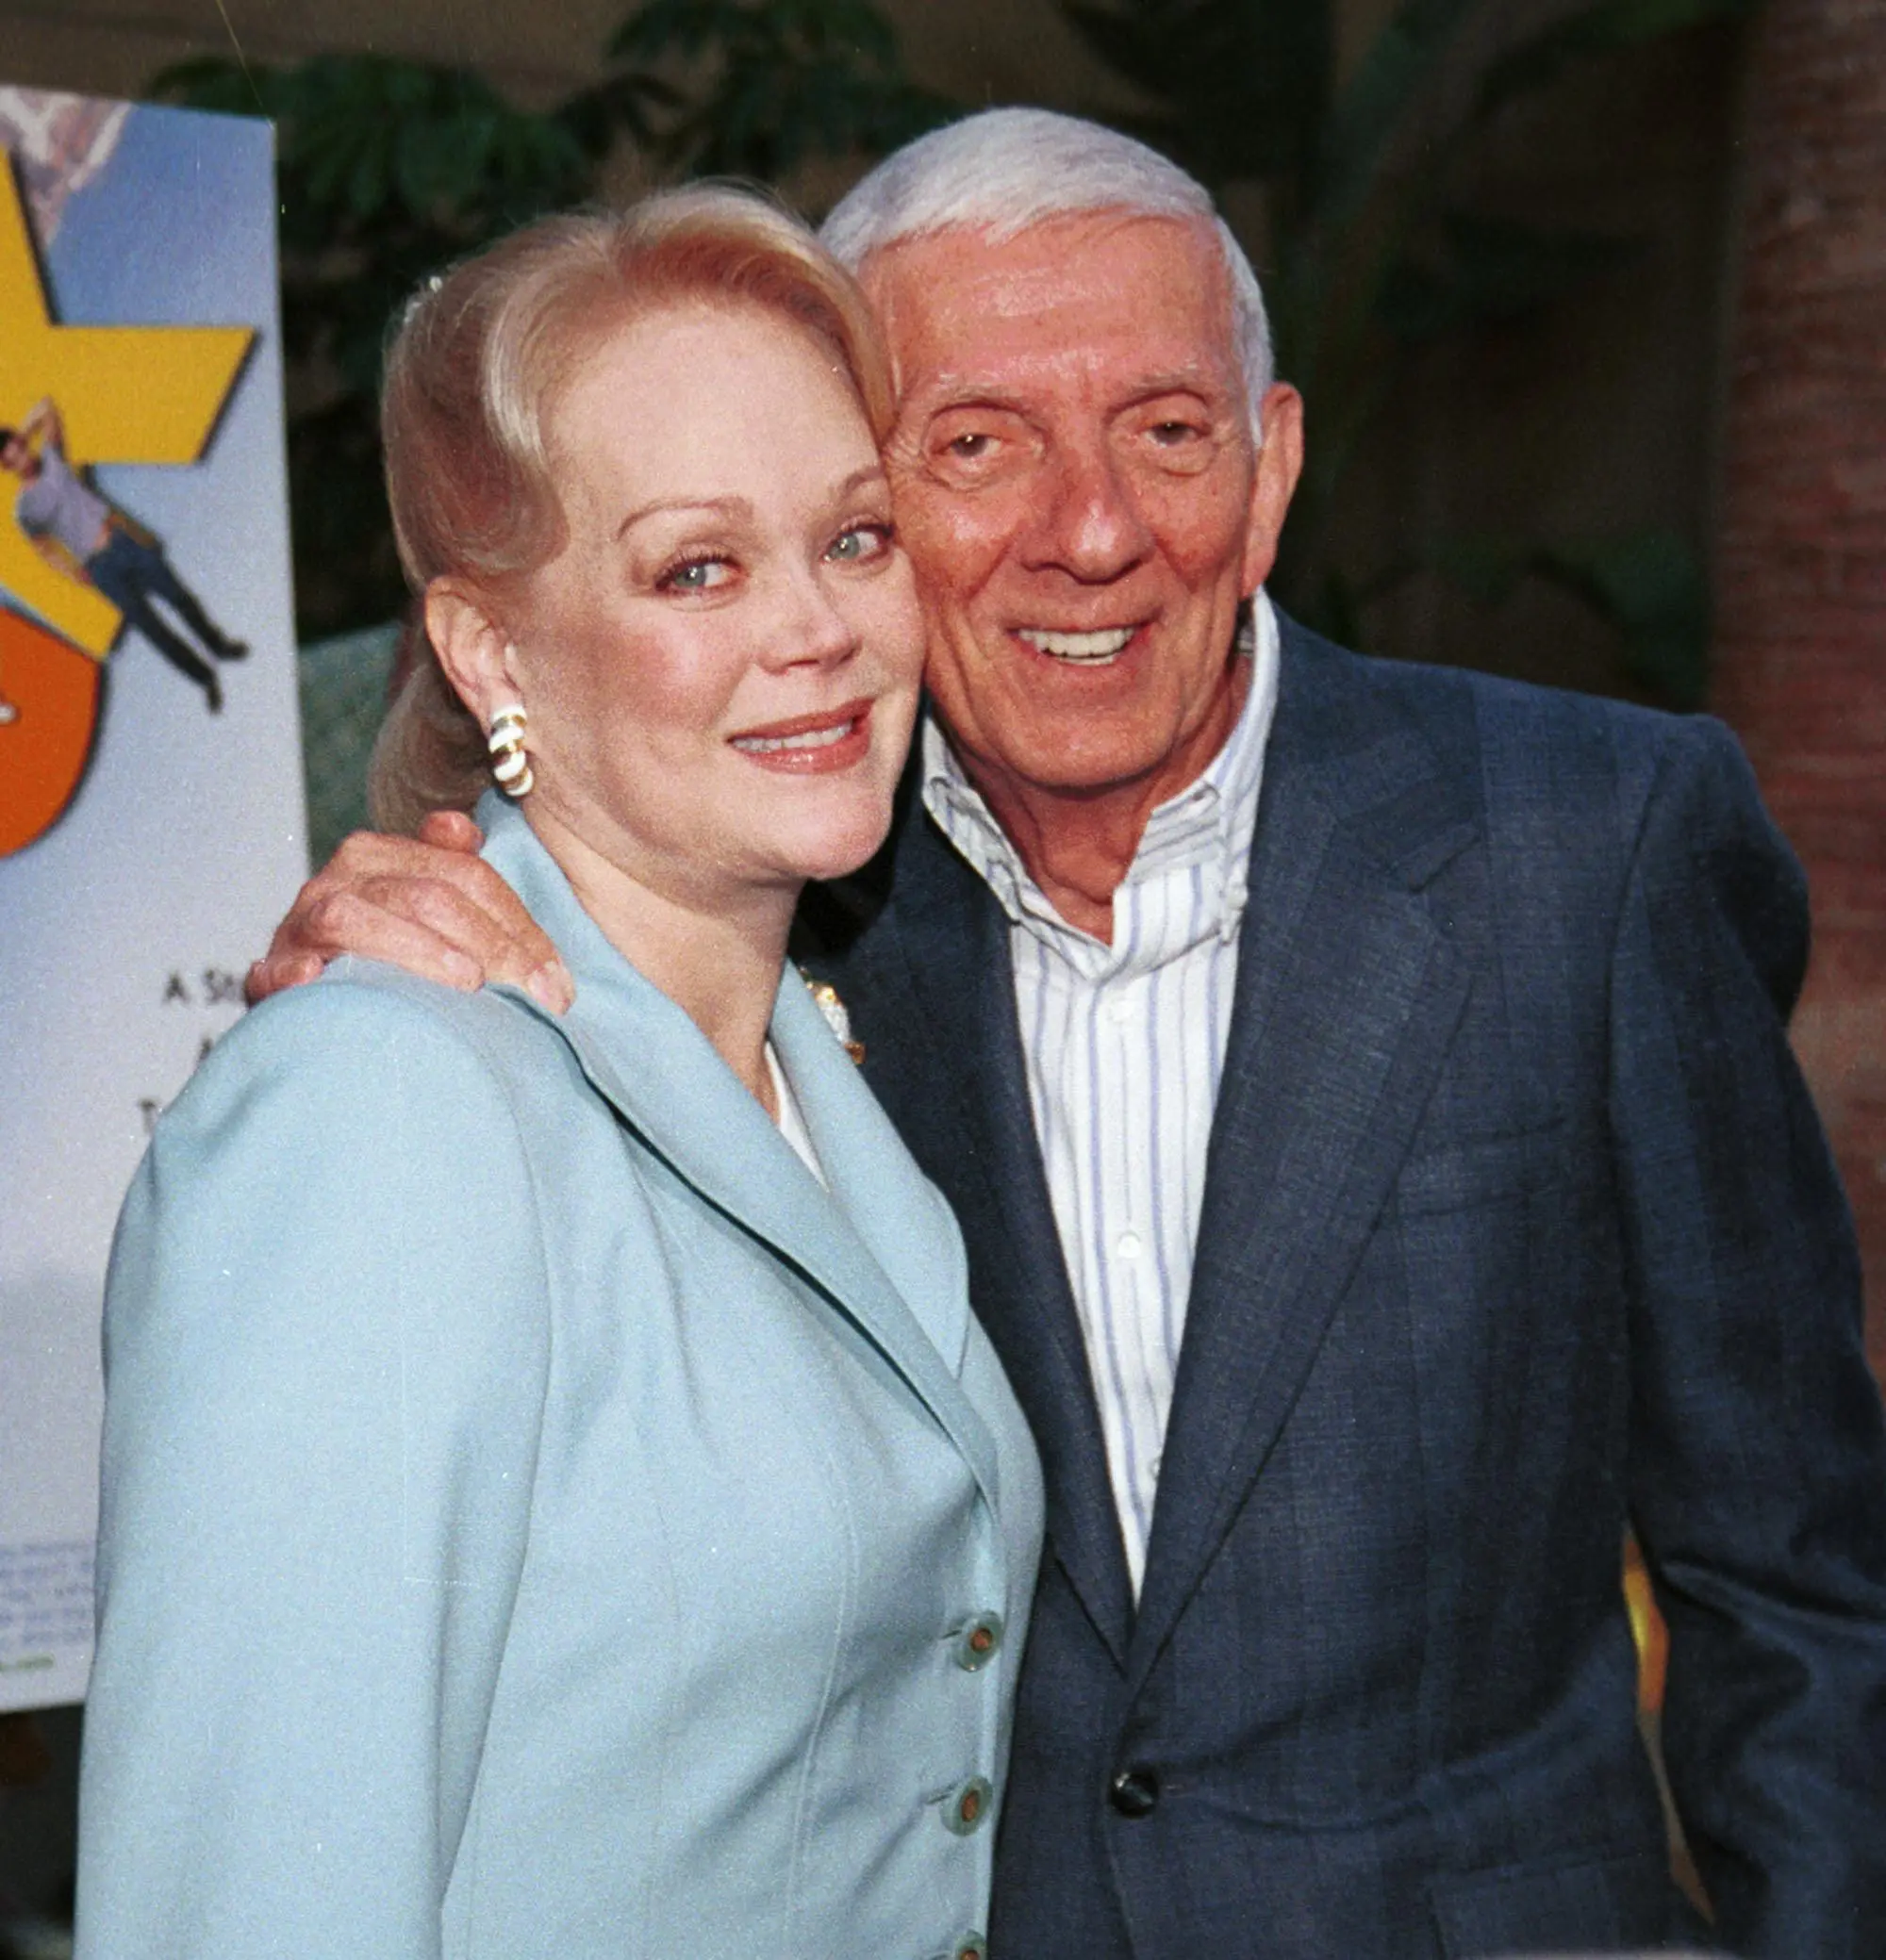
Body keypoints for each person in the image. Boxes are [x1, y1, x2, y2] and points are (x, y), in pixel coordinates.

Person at [251, 111, 1886, 1959]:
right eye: (975, 447)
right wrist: (386, 928)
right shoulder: (789, 923)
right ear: (864, 503)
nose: (1091, 531)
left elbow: (1802, 1583)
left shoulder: (1586, 847)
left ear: (1268, 471)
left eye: (1166, 434)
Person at [75, 187, 1042, 1960]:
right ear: (492, 650)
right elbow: (251, 1896)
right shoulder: (380, 1111)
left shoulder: (819, 1073)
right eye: (697, 566)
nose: (818, 628)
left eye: (853, 537)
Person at [1, 396, 245, 713]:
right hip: (99, 570)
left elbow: (47, 408)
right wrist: (74, 572)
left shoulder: (53, 458)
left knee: (179, 596)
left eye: (20, 448)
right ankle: (205, 679)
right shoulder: (24, 510)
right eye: (13, 458)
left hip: (122, 541)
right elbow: (45, 550)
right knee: (154, 631)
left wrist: (22, 432)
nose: (22, 457)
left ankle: (219, 645)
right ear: (7, 468)